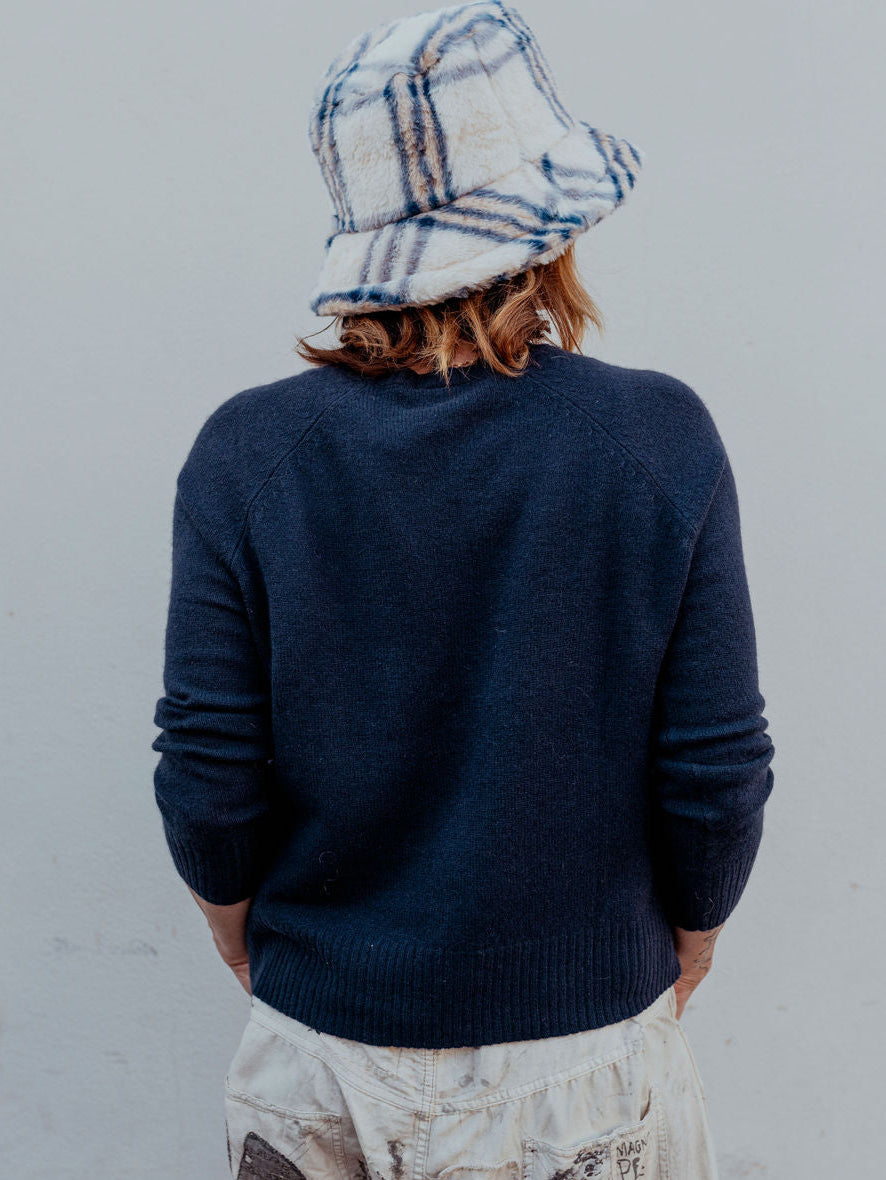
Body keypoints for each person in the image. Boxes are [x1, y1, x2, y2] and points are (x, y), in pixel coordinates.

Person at [151, 3, 775, 1178]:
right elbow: (715, 770)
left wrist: (245, 934)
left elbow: (207, 771)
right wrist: (692, 935)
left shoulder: (247, 455)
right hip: (581, 1071)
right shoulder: (655, 438)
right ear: (547, 234)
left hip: (320, 1060)